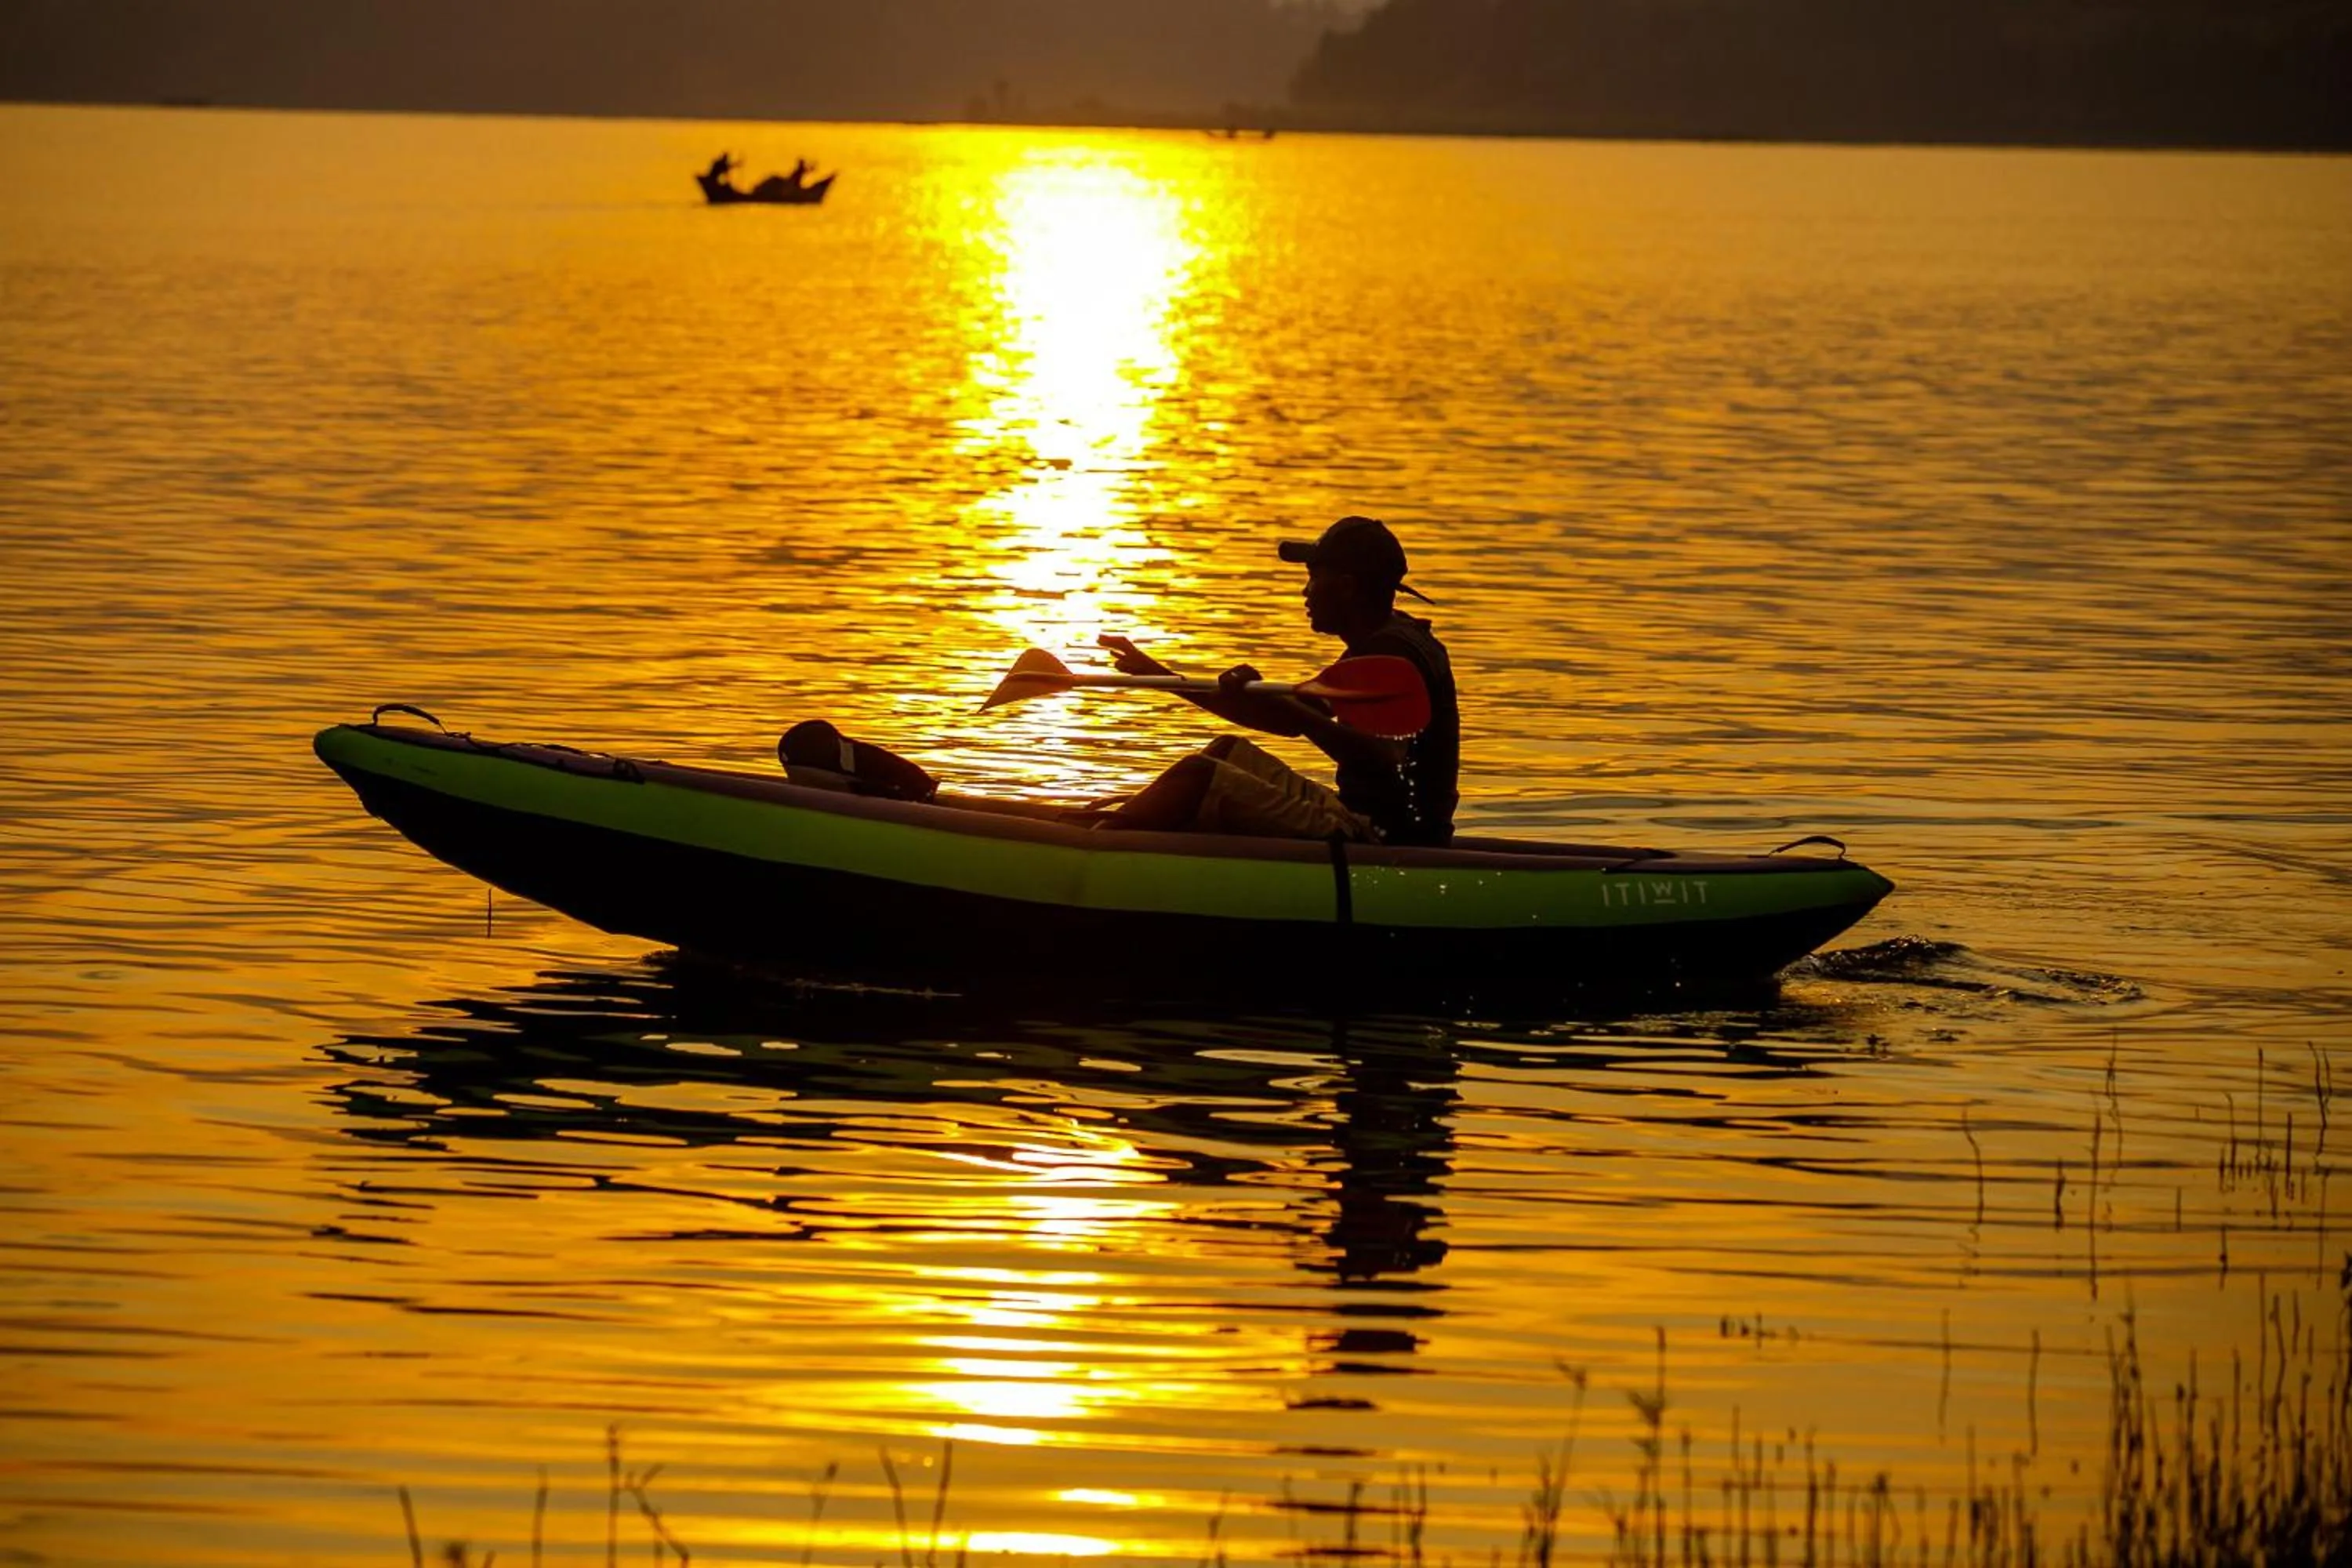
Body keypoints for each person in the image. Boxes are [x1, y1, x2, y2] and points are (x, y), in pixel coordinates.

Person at [1103, 516, 1459, 846]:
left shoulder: (1393, 654)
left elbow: (1379, 757)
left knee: (1198, 774)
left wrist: (1288, 708)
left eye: (1314, 577)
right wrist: (1161, 677)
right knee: (1226, 751)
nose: (1306, 592)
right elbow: (1286, 720)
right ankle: (1108, 832)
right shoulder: (1381, 640)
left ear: (1347, 587)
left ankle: (1099, 847)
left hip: (1387, 836)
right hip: (1359, 815)